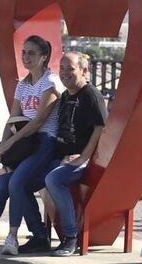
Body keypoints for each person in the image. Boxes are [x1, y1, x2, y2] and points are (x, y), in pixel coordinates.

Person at [0, 35, 63, 255]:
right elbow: (13, 117)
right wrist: (3, 143)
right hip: (23, 143)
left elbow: (38, 122)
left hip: (43, 142)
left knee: (16, 183)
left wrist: (10, 144)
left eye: (32, 53)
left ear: (44, 56)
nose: (26, 57)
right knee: (2, 186)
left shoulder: (50, 83)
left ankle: (13, 237)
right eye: (24, 52)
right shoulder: (23, 85)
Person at [44, 51, 108, 256]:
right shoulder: (65, 96)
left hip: (81, 161)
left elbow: (101, 129)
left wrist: (83, 157)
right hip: (61, 157)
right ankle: (38, 235)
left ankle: (70, 238)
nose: (64, 73)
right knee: (20, 180)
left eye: (70, 69)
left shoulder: (91, 95)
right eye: (61, 68)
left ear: (84, 71)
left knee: (54, 180)